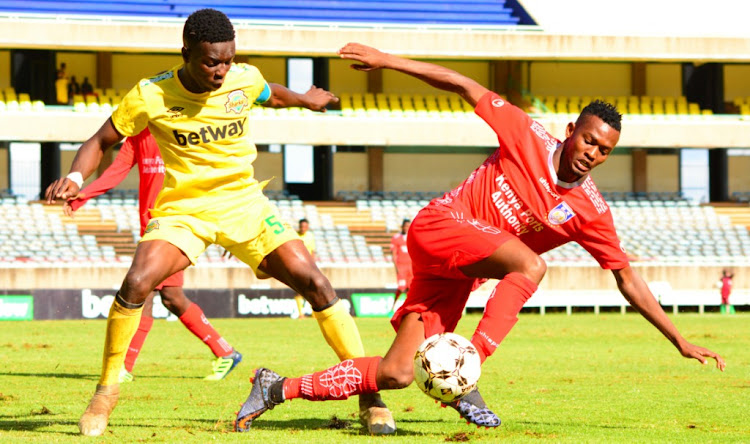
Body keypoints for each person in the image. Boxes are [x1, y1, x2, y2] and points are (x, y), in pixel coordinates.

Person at [235, 42, 726, 432]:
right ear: (571, 129)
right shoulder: (528, 134)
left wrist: (678, 338)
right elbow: (462, 84)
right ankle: (469, 374)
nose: (592, 153)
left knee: (397, 372)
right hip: (438, 227)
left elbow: (626, 278)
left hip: (458, 272)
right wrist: (386, 61)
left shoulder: (589, 211)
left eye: (604, 151)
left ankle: (276, 388)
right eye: (589, 140)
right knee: (532, 265)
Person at [44, 13, 393, 437]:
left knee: (316, 284)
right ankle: (105, 393)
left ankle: (369, 396)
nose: (221, 70)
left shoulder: (243, 79)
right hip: (184, 210)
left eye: (227, 60)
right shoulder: (150, 94)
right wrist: (76, 178)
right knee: (136, 283)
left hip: (244, 204)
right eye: (211, 62)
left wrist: (305, 98)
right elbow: (100, 140)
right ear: (186, 52)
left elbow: (271, 94)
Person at [65, 128, 242, 382]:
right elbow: (117, 170)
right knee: (169, 296)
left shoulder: (186, 131)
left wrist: (227, 223)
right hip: (152, 228)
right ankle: (225, 352)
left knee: (145, 293)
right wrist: (84, 195)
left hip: (177, 225)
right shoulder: (138, 135)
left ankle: (123, 367)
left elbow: (216, 176)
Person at [294, 218, 316, 318]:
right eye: (301, 226)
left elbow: (313, 252)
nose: (303, 228)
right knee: (299, 290)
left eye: (304, 226)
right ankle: (301, 314)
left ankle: (314, 314)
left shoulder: (310, 236)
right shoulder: (294, 235)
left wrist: (313, 265)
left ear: (307, 227)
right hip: (298, 265)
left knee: (312, 290)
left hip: (308, 266)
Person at [390, 218, 412, 309]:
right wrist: (396, 268)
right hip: (401, 267)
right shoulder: (396, 238)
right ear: (402, 227)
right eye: (405, 226)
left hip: (411, 267)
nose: (407, 228)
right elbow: (394, 254)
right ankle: (393, 307)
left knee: (410, 288)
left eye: (408, 226)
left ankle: (408, 308)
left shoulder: (412, 237)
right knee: (401, 288)